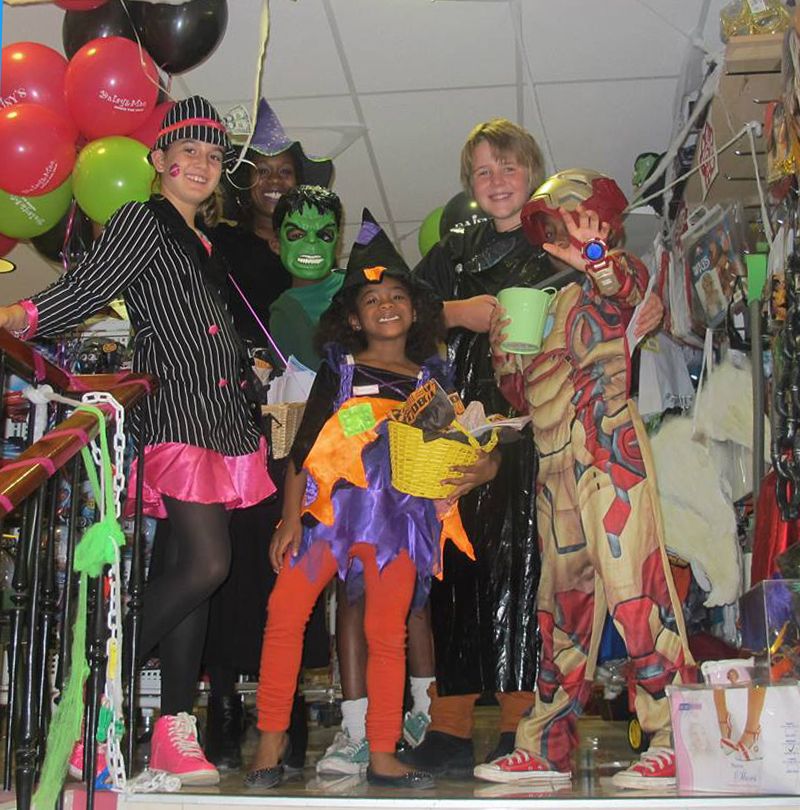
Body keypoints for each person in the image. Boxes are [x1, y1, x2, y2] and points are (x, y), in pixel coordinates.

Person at [0, 97, 276, 786]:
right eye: (188, 151)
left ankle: (173, 727)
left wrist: (248, 364)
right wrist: (20, 315)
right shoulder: (142, 219)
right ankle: (86, 689)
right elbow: (89, 286)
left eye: (213, 155)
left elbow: (202, 326)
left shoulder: (205, 245)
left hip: (223, 421)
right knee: (207, 565)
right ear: (159, 160)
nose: (202, 164)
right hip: (180, 416)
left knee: (191, 577)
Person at [244, 211, 498, 790]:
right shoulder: (340, 370)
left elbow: (462, 450)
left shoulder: (434, 380)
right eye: (372, 299)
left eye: (398, 296)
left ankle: (383, 751)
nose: (387, 305)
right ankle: (270, 738)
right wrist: (289, 519)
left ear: (416, 309)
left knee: (388, 633)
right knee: (285, 614)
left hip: (399, 528)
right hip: (326, 520)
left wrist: (485, 466)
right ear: (354, 318)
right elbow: (304, 447)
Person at [474, 169, 694, 790]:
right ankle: (546, 749)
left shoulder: (614, 281)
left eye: (573, 219)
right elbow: (526, 396)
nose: (561, 232)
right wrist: (504, 355)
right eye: (555, 224)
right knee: (559, 611)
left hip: (608, 455)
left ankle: (677, 737)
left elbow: (624, 287)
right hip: (553, 470)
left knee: (635, 591)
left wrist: (597, 257)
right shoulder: (545, 308)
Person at [201, 102, 334, 772]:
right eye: (262, 171)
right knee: (234, 557)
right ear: (243, 182)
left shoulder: (317, 258)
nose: (275, 180)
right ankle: (225, 701)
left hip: (300, 427)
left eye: (285, 171)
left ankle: (288, 710)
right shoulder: (220, 246)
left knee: (295, 555)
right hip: (236, 418)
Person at [267, 185, 345, 369]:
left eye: (325, 235)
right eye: (297, 235)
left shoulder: (361, 283)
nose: (311, 241)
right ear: (276, 243)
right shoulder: (285, 314)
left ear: (337, 242)